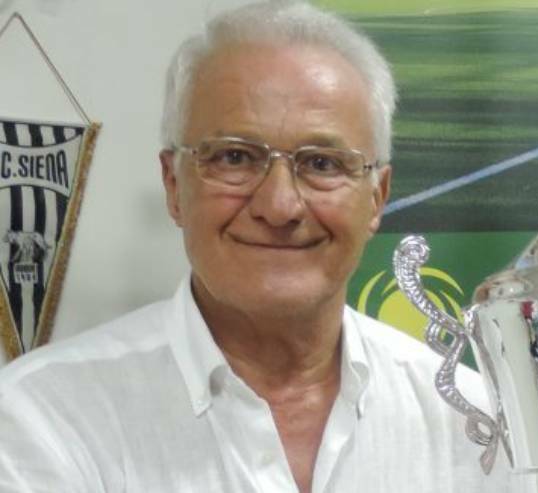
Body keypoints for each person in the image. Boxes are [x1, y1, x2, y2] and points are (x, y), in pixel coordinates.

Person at [0, 1, 511, 492]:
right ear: (174, 185)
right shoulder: (43, 419)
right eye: (235, 158)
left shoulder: (472, 420)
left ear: (377, 196)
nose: (280, 205)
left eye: (322, 163)